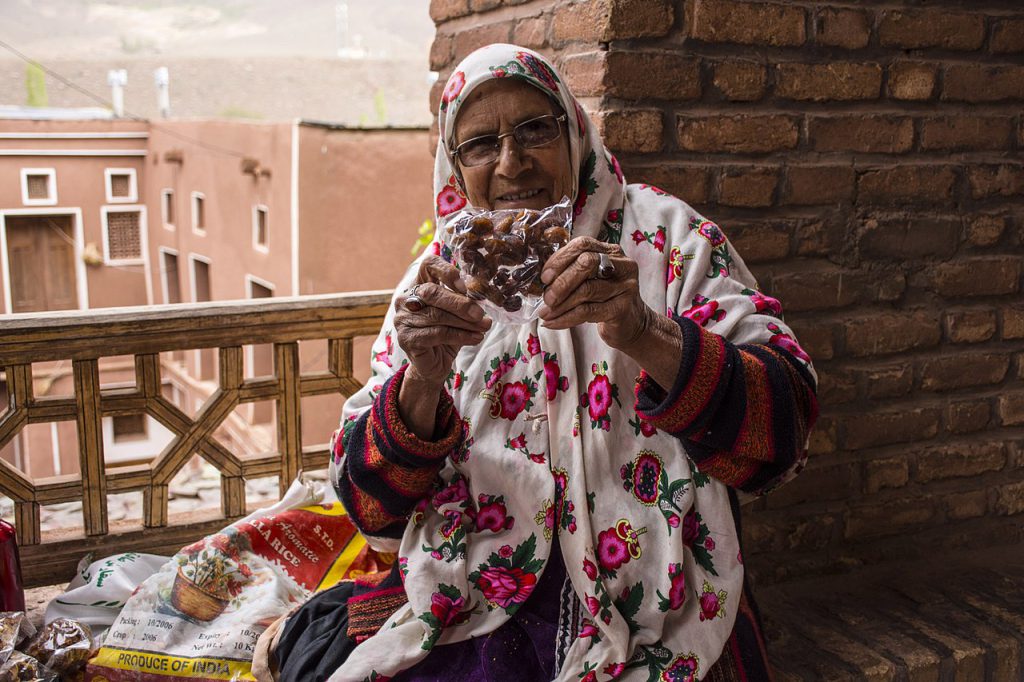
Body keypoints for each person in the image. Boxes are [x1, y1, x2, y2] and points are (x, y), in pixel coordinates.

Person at [278, 43, 818, 682]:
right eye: (480, 144)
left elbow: (784, 427)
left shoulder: (666, 238)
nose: (512, 163)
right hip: (475, 591)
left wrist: (641, 329)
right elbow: (371, 508)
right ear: (455, 167)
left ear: (576, 131)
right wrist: (421, 379)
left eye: (536, 129)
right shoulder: (441, 280)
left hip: (653, 593)